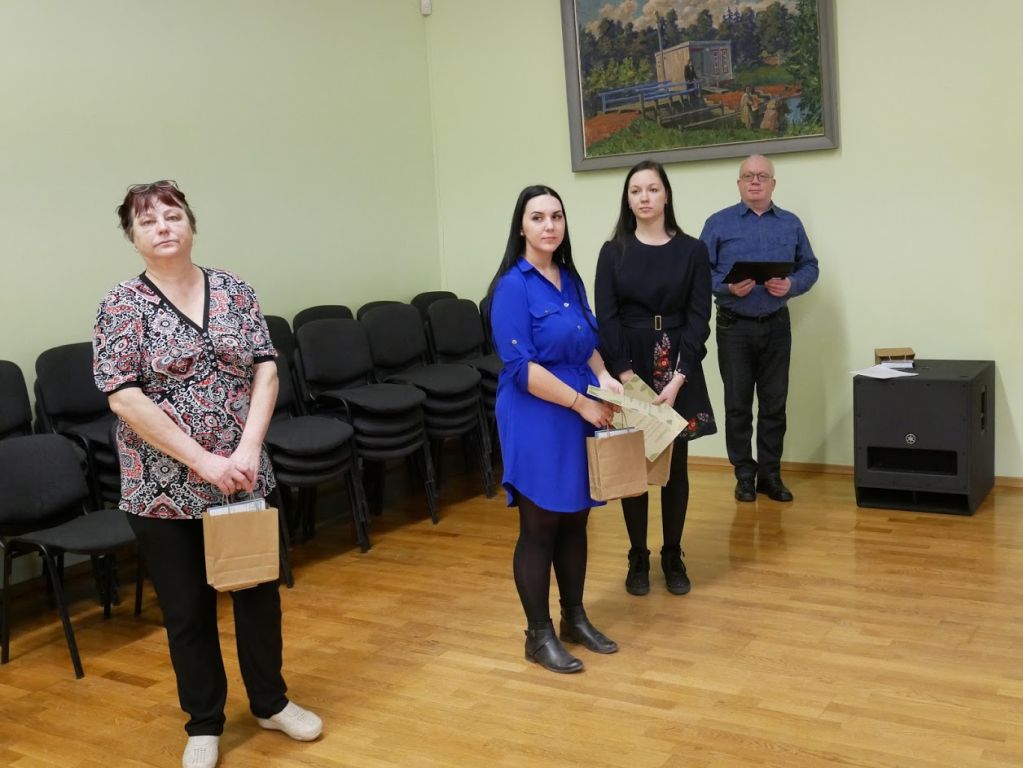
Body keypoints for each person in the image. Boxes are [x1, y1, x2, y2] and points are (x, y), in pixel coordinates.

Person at [92, 181, 322, 768]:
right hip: (162, 488)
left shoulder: (235, 289)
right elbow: (123, 397)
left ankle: (271, 702)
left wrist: (247, 450)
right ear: (133, 237)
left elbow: (266, 369)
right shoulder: (121, 305)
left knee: (257, 598)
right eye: (148, 221)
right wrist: (203, 461)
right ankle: (204, 723)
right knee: (187, 611)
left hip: (244, 477)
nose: (163, 227)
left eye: (173, 216)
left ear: (191, 224)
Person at [486, 185, 623, 674]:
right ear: (521, 227)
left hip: (579, 409)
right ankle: (537, 635)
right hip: (537, 414)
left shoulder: (569, 278)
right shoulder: (511, 286)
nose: (549, 225)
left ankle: (574, 618)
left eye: (556, 216)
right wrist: (583, 404)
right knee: (540, 524)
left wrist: (606, 378)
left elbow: (585, 342)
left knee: (576, 518)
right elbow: (521, 369)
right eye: (538, 217)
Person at [595, 160, 716, 597]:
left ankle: (672, 553)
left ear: (666, 195)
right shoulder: (613, 251)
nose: (644, 197)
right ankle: (638, 556)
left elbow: (700, 317)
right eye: (635, 191)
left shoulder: (693, 250)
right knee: (636, 463)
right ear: (627, 200)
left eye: (652, 189)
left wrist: (679, 376)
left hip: (677, 364)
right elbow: (606, 317)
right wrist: (626, 374)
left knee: (675, 465)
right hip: (629, 364)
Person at [699, 156, 819, 503]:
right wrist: (727, 287)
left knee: (774, 404)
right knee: (737, 405)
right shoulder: (718, 223)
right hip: (734, 327)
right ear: (739, 183)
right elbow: (699, 273)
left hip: (777, 326)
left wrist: (792, 284)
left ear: (773, 184)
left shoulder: (791, 224)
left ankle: (770, 475)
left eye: (762, 176)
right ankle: (744, 476)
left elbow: (810, 266)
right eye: (748, 176)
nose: (755, 181)